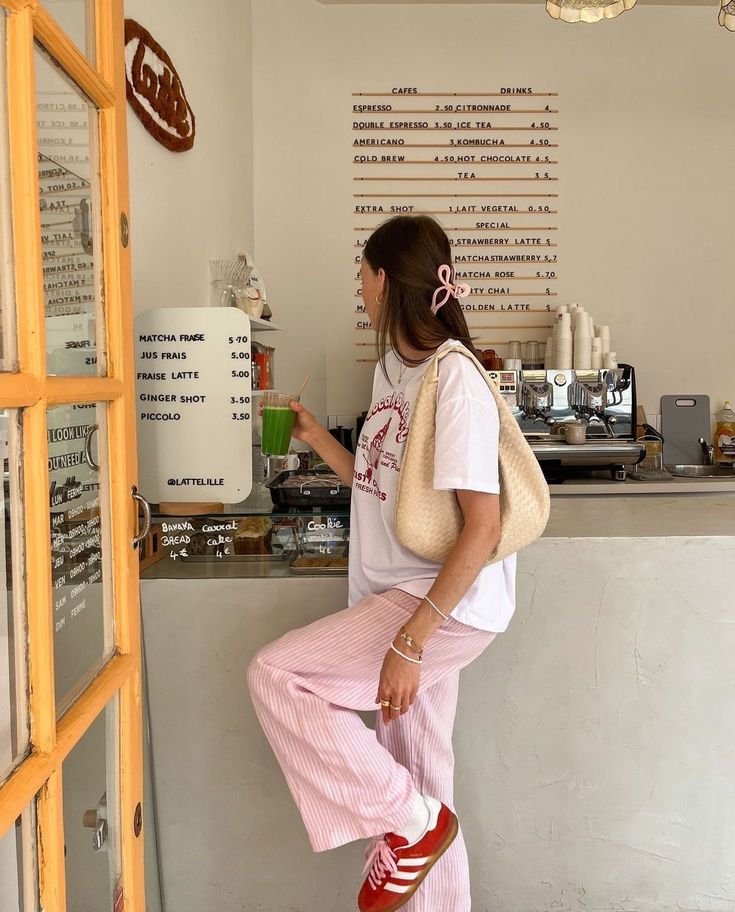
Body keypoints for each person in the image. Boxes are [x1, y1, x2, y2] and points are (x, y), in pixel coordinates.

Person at [248, 215, 517, 912]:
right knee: (421, 769)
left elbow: (481, 527)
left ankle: (411, 825)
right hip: (405, 596)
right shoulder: (394, 371)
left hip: (434, 603)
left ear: (384, 281)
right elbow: (380, 485)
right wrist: (315, 441)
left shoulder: (452, 378)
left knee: (279, 676)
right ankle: (420, 824)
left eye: (361, 276)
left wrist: (410, 640)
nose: (358, 291)